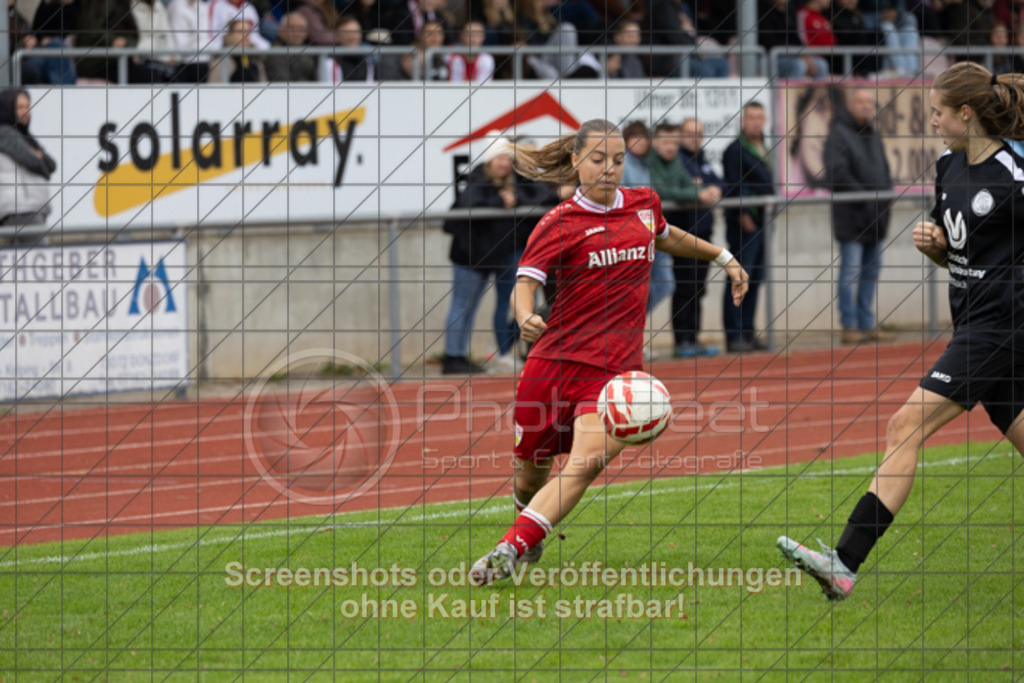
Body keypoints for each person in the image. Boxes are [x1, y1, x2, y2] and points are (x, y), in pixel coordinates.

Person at [778, 62, 1024, 601]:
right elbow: (959, 254)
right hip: (978, 323)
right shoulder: (947, 165)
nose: (931, 121)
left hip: (1000, 327)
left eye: (937, 111)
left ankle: (843, 563)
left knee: (903, 425)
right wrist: (936, 248)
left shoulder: (1014, 174)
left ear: (966, 113)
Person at [468, 119, 749, 585]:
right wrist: (523, 317)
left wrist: (722, 257)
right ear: (576, 160)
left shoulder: (643, 205)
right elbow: (526, 282)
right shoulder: (558, 223)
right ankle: (528, 527)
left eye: (617, 160)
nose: (609, 169)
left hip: (615, 374)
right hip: (553, 364)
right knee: (528, 476)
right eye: (598, 159)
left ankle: (509, 548)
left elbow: (665, 235)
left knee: (586, 461)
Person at [440, 133, 557, 375]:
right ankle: (453, 357)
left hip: (492, 256)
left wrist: (515, 199)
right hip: (469, 257)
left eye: (507, 158)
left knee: (485, 306)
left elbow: (543, 196)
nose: (504, 163)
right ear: (490, 160)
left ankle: (463, 355)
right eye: (499, 158)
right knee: (462, 306)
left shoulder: (513, 180)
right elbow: (467, 205)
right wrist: (499, 201)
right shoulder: (479, 178)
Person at [825, 88, 896, 345]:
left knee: (871, 271)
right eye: (861, 101)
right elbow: (838, 175)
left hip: (876, 217)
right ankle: (849, 324)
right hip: (852, 217)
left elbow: (884, 171)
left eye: (869, 102)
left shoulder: (873, 134)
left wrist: (883, 200)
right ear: (851, 105)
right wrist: (867, 198)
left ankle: (866, 322)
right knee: (850, 272)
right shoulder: (838, 135)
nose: (866, 106)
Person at [722, 101, 775, 353]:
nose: (755, 122)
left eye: (759, 117)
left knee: (756, 277)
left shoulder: (764, 146)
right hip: (746, 223)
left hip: (764, 222)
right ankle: (734, 335)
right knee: (738, 276)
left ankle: (749, 330)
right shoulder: (735, 150)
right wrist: (744, 214)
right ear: (743, 121)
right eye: (751, 117)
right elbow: (734, 185)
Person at [674, 117, 727, 357]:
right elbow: (680, 188)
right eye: (690, 133)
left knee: (698, 288)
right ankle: (681, 340)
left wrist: (710, 187)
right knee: (685, 286)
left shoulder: (702, 159)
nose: (694, 138)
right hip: (684, 234)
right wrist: (699, 190)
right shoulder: (676, 160)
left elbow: (720, 183)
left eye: (699, 134)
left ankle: (693, 337)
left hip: (705, 233)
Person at [0, 89, 56, 238]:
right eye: (20, 107)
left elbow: (51, 165)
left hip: (31, 208)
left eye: (27, 106)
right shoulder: (5, 132)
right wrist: (38, 158)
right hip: (20, 210)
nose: (26, 111)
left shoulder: (25, 137)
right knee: (40, 258)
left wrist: (40, 158)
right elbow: (32, 162)